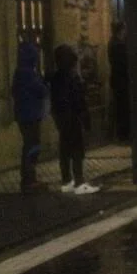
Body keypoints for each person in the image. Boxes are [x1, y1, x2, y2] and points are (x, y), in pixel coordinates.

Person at [49, 44, 100, 195]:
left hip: (61, 117)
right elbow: (79, 101)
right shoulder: (73, 77)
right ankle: (79, 182)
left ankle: (66, 181)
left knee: (64, 149)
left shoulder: (56, 78)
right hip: (73, 117)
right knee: (77, 150)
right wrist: (85, 119)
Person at [12, 42, 49, 193]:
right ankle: (29, 179)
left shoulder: (19, 73)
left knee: (30, 145)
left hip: (25, 115)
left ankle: (29, 178)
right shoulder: (28, 74)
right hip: (30, 116)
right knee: (32, 146)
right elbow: (41, 90)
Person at [108, 21, 129, 142]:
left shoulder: (113, 42)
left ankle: (123, 134)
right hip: (121, 81)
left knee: (121, 108)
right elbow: (123, 63)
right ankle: (123, 135)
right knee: (123, 108)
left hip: (117, 80)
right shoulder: (118, 45)